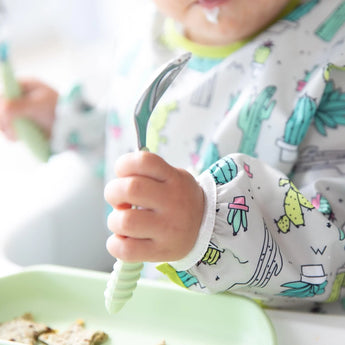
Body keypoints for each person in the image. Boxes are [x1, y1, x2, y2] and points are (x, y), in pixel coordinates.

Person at [1, 0, 345, 310]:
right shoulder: (148, 34)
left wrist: (206, 227)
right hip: (162, 314)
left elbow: (333, 252)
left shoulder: (335, 62)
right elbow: (133, 154)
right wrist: (68, 124)